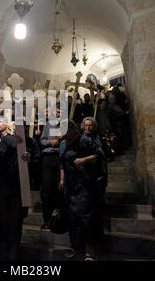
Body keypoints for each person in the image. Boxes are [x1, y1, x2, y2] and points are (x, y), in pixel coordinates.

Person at [59, 120, 106, 261]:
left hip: (84, 184)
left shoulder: (83, 140)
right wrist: (61, 179)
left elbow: (99, 155)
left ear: (73, 130)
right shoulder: (62, 144)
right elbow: (62, 163)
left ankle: (89, 249)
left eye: (65, 129)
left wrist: (84, 160)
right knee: (72, 217)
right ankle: (75, 245)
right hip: (70, 185)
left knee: (86, 217)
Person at [0, 117, 38, 261]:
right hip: (7, 184)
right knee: (4, 218)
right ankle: (4, 247)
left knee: (17, 219)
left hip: (23, 185)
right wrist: (3, 149)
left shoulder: (31, 142)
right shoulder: (7, 140)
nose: (20, 127)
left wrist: (30, 159)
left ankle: (13, 250)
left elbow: (38, 162)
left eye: (23, 125)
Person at [40, 106, 63, 229]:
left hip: (60, 157)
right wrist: (50, 142)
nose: (58, 113)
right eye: (56, 111)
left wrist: (61, 137)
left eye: (60, 112)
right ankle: (47, 219)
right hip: (48, 157)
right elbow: (42, 140)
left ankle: (59, 219)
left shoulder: (65, 124)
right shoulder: (49, 124)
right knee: (47, 189)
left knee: (60, 188)